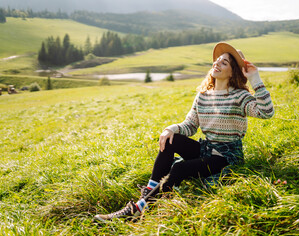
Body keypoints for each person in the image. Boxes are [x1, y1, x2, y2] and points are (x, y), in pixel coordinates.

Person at [94, 42, 275, 222]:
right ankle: (149, 191)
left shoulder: (239, 96)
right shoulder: (203, 95)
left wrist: (255, 78)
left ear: (233, 71)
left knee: (179, 168)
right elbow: (190, 125)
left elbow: (266, 112)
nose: (217, 64)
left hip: (225, 157)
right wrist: (170, 129)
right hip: (206, 149)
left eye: (224, 63)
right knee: (172, 140)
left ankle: (139, 208)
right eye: (217, 60)